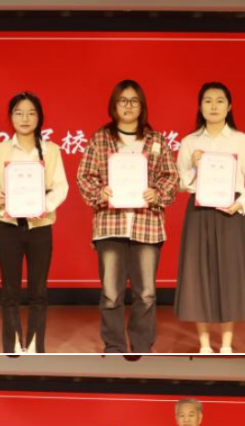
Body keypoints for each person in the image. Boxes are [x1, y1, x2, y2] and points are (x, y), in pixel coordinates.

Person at [75, 79, 179, 353]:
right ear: (114, 105)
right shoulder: (100, 138)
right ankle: (114, 345)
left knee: (146, 293)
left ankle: (142, 345)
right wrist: (100, 192)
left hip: (147, 225)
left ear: (142, 106)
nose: (129, 106)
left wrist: (157, 193)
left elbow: (171, 176)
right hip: (110, 225)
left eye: (134, 101)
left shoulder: (156, 140)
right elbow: (84, 176)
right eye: (123, 100)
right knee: (111, 293)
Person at [175, 82, 245, 354]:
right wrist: (195, 167)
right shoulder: (190, 142)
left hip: (230, 213)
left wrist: (241, 204)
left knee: (229, 274)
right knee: (198, 274)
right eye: (208, 100)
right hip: (199, 213)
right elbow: (181, 183)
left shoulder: (241, 140)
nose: (213, 106)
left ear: (229, 106)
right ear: (200, 106)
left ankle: (226, 344)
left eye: (220, 100)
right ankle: (203, 344)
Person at [0, 92, 69, 353]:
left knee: (38, 290)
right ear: (11, 117)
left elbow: (61, 187)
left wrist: (44, 206)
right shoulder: (1, 150)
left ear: (39, 117)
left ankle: (34, 344)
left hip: (40, 228)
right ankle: (12, 345)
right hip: (9, 226)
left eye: (31, 113)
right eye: (19, 112)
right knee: (9, 291)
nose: (25, 118)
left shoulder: (51, 150)